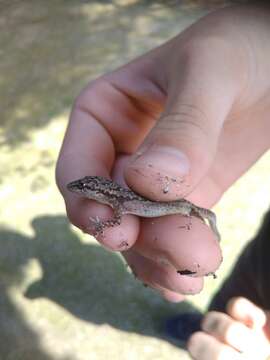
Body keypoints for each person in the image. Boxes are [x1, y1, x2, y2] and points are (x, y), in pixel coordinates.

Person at [56, 4, 270, 359]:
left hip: (177, 207)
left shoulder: (120, 202)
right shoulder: (118, 197)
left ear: (100, 191)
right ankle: (203, 318)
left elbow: (115, 219)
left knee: (199, 240)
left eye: (87, 187)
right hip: (245, 255)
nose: (84, 190)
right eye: (85, 188)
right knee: (218, 272)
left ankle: (206, 305)